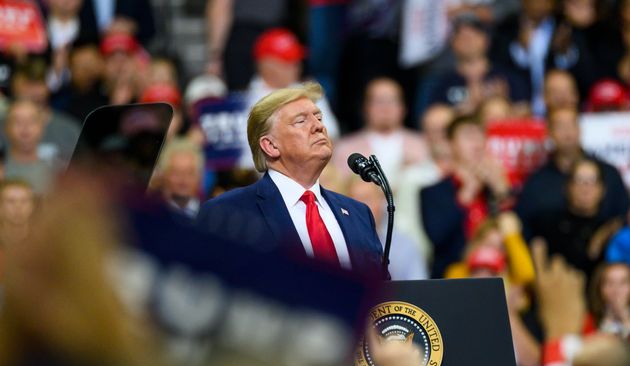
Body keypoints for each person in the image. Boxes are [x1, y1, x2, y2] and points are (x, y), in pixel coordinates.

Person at [197, 82, 385, 277]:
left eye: (318, 117)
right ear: (270, 145)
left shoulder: (359, 214)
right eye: (301, 121)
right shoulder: (228, 213)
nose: (319, 126)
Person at [516, 106, 629, 239]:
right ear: (549, 133)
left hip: (607, 256)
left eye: (572, 124)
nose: (567, 132)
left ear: (580, 129)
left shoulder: (609, 174)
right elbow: (524, 228)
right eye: (560, 126)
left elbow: (624, 219)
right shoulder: (536, 184)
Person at [421, 114, 511, 278]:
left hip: (499, 278)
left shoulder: (495, 189)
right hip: (452, 281)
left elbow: (520, 234)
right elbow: (438, 237)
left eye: (480, 136)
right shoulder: (433, 193)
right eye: (468, 136)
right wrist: (466, 195)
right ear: (450, 144)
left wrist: (502, 193)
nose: (476, 144)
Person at [332, 77, 432, 190]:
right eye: (379, 102)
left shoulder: (421, 145)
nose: (385, 108)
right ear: (365, 107)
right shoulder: (346, 149)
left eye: (392, 101)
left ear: (403, 107)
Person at [2, 100, 57, 195]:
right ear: (6, 127)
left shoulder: (59, 172)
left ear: (42, 127)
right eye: (17, 121)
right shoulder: (2, 170)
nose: (25, 127)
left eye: (32, 120)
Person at [153, 140, 204, 219]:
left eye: (190, 173)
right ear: (164, 175)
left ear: (199, 176)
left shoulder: (212, 215)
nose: (183, 180)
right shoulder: (152, 215)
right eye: (176, 173)